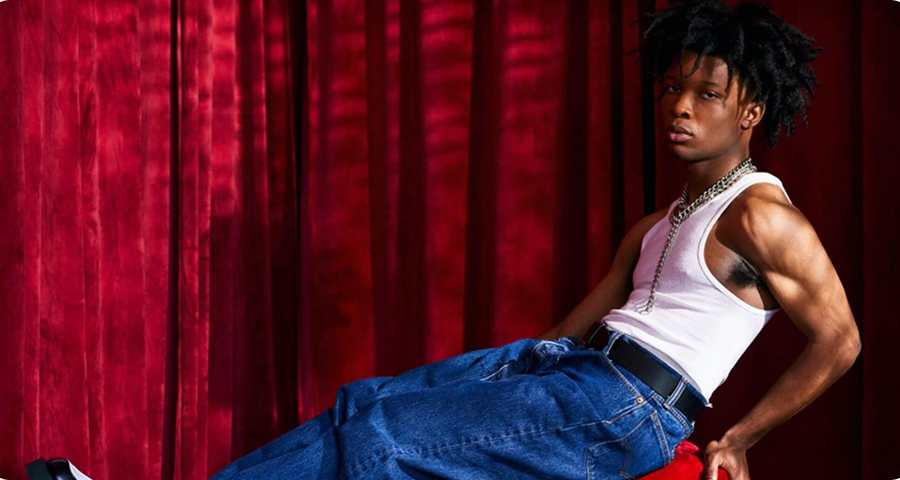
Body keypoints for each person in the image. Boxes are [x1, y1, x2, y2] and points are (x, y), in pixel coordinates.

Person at [209, 1, 860, 479]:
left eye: (707, 94)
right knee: (364, 404)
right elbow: (565, 334)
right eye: (673, 88)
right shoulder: (656, 225)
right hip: (568, 369)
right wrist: (500, 376)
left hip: (628, 406)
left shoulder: (762, 216)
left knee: (384, 440)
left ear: (750, 113)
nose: (680, 106)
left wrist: (742, 437)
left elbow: (840, 340)